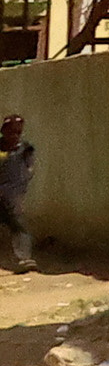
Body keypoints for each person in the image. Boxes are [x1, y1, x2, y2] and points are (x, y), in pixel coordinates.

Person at [3, 107, 39, 268]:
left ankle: (24, 259)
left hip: (13, 195)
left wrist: (21, 185)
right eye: (11, 132)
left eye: (18, 132)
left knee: (19, 226)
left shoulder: (25, 148)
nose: (15, 136)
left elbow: (29, 169)